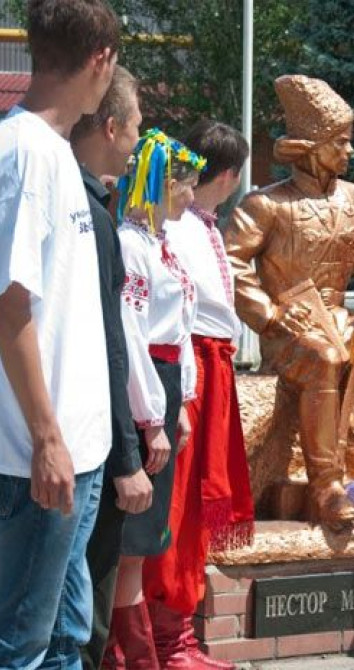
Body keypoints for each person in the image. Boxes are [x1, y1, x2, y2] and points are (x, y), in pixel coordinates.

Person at [226, 74, 354, 526]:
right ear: (311, 145)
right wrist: (271, 314)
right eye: (340, 142)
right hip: (291, 333)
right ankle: (326, 486)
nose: (349, 151)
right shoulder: (267, 205)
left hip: (341, 317)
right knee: (324, 358)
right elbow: (231, 264)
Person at [0, 2, 119, 668]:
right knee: (20, 646)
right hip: (33, 463)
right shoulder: (23, 153)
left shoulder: (55, 153)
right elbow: (9, 307)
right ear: (100, 60)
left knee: (63, 641)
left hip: (76, 456)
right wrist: (47, 438)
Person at [142, 120, 253, 670]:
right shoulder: (179, 229)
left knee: (196, 503)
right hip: (194, 368)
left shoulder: (202, 225)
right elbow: (177, 315)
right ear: (231, 175)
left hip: (213, 364)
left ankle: (177, 633)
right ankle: (164, 636)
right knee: (180, 502)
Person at [107, 129, 204, 667]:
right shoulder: (130, 245)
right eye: (186, 187)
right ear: (163, 185)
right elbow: (133, 334)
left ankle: (130, 653)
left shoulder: (161, 247)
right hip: (143, 386)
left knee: (143, 538)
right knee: (131, 536)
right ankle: (126, 657)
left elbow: (180, 331)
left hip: (164, 386)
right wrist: (151, 417)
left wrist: (182, 402)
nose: (192, 197)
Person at [69, 64, 155, 670]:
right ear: (111, 124)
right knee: (70, 621)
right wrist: (127, 457)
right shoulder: (91, 213)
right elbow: (106, 340)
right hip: (72, 444)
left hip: (70, 438)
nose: (136, 147)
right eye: (136, 131)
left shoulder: (89, 201)